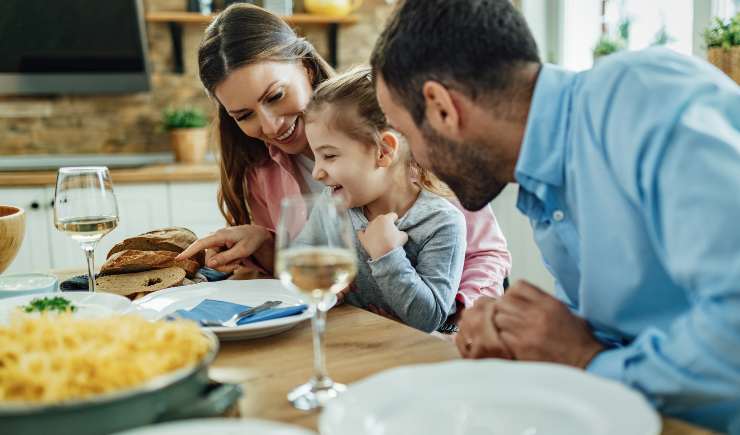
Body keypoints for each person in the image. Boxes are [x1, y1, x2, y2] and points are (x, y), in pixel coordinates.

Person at [370, 0, 740, 431]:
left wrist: (585, 358)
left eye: (409, 137)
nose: (416, 161)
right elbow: (626, 331)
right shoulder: (541, 174)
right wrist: (525, 338)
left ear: (442, 108)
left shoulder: (645, 103)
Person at [177, 3, 512, 314]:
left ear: (306, 69)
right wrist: (266, 246)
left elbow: (486, 253)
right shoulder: (259, 174)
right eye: (244, 115)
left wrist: (456, 322)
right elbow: (305, 281)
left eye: (276, 95)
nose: (269, 124)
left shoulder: (405, 131)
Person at [296, 66, 465, 332]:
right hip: (353, 345)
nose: (317, 172)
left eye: (329, 156)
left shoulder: (440, 222)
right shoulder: (332, 204)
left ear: (383, 151)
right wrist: (317, 280)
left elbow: (428, 319)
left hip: (411, 359)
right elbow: (300, 256)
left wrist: (388, 254)